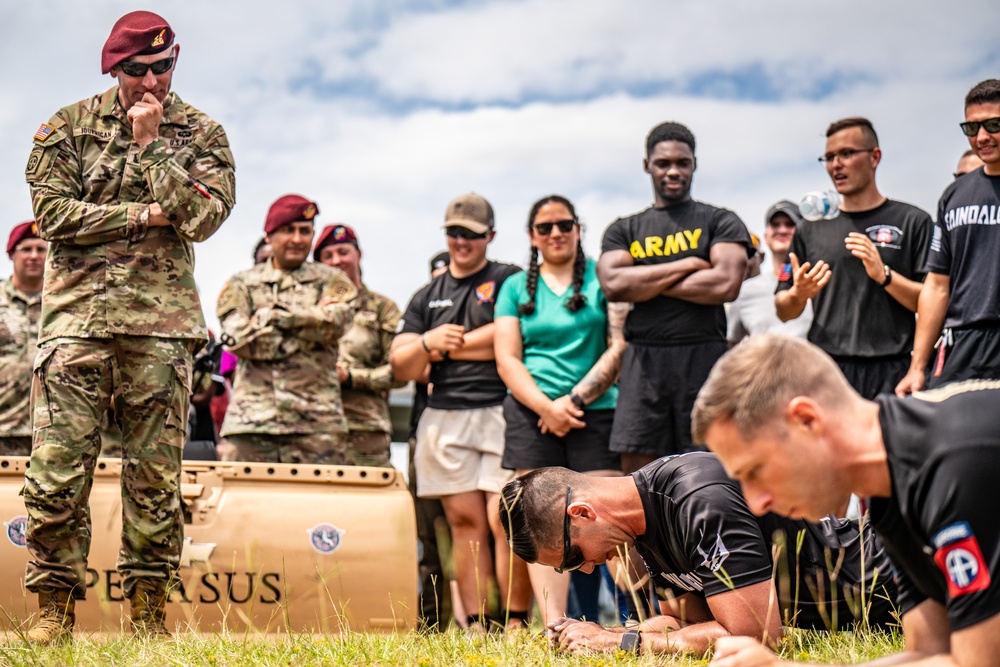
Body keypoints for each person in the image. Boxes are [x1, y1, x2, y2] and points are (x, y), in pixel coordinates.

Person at [21, 11, 236, 641]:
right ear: (114, 69)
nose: (150, 82)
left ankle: (147, 617)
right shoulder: (66, 128)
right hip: (76, 325)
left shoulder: (202, 133)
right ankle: (53, 613)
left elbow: (202, 218)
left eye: (161, 67)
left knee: (154, 481)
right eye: (136, 70)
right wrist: (144, 214)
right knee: (57, 473)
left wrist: (152, 147)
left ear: (175, 60)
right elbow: (51, 216)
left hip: (160, 329)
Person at [692, 334, 1000, 667]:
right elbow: (930, 651)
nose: (756, 504)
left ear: (806, 420)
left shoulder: (954, 462)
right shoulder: (892, 491)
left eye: (755, 471)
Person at [499, 453, 896, 658]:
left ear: (583, 514)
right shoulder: (641, 523)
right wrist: (601, 634)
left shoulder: (698, 499)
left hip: (898, 580)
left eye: (572, 558)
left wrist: (621, 644)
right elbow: (689, 623)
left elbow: (757, 636)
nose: (586, 569)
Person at [390, 193, 531, 632]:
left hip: (502, 411)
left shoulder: (509, 278)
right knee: (464, 523)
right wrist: (427, 343)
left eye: (471, 234)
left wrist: (443, 347)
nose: (461, 242)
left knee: (505, 520)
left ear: (491, 235)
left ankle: (516, 622)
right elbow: (401, 364)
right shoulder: (426, 294)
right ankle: (478, 624)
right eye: (454, 233)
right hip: (444, 418)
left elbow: (511, 336)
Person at [494, 194, 628, 627]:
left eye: (565, 225)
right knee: (538, 518)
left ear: (578, 229)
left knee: (609, 514)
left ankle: (636, 619)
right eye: (545, 227)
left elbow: (619, 345)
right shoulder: (514, 287)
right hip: (532, 416)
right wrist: (546, 407)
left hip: (596, 412)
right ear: (532, 236)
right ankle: (555, 625)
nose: (555, 233)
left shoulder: (602, 278)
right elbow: (507, 358)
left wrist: (574, 401)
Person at [598, 121, 752, 474]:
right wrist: (689, 264)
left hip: (704, 355)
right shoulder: (624, 229)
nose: (673, 171)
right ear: (647, 165)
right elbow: (613, 285)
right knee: (640, 474)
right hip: (643, 362)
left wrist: (644, 278)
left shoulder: (720, 221)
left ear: (694, 164)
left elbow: (725, 284)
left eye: (682, 163)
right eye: (663, 163)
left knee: (712, 469)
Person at [775, 117, 932, 400]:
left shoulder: (913, 221)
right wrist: (798, 294)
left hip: (894, 373)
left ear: (875, 157)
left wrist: (884, 275)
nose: (836, 165)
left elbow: (933, 301)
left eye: (847, 154)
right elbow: (783, 310)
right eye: (829, 157)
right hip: (828, 371)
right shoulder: (809, 228)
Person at [217, 195, 356, 464]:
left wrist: (274, 319)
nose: (297, 239)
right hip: (252, 423)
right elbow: (238, 340)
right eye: (288, 230)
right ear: (269, 236)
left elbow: (337, 323)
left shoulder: (333, 281)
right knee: (239, 492)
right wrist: (312, 324)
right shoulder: (241, 284)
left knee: (323, 493)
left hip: (317, 425)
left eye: (305, 231)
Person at [896, 80, 1000, 396]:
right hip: (961, 345)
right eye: (971, 128)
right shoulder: (954, 195)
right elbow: (937, 285)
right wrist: (917, 368)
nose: (982, 137)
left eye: (993, 125)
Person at [312, 223, 403, 466]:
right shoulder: (307, 307)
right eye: (328, 256)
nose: (336, 261)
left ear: (358, 255)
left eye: (343, 252)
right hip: (312, 429)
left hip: (365, 430)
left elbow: (401, 372)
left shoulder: (383, 308)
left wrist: (352, 378)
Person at [406, 250, 452, 630]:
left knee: (474, 535)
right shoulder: (421, 311)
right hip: (425, 435)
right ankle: (432, 624)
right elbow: (409, 367)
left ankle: (486, 622)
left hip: (474, 427)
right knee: (430, 538)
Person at [727, 202, 810, 344]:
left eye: (790, 224)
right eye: (775, 225)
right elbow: (731, 345)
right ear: (766, 236)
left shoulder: (819, 284)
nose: (782, 230)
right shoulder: (745, 291)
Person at [0, 222, 46, 456]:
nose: (34, 256)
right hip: (4, 426)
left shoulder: (63, 303)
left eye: (41, 249)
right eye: (26, 249)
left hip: (52, 432)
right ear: (11, 254)